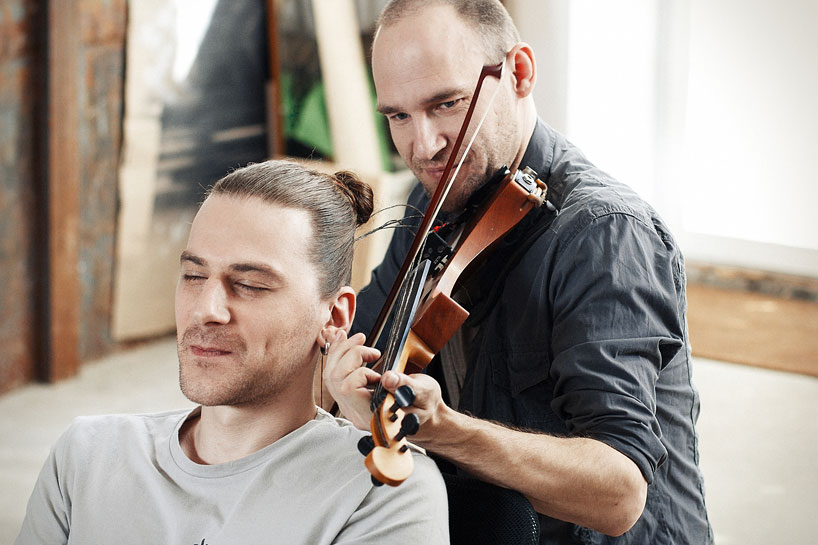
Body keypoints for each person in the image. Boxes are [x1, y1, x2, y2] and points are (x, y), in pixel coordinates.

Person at [323, 1, 714, 543]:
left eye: (448, 104)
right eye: (398, 116)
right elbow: (359, 338)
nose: (424, 145)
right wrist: (343, 386)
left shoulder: (604, 233)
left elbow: (620, 494)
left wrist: (445, 431)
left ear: (521, 73)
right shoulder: (434, 199)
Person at [15, 160, 449, 544]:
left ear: (334, 317)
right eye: (192, 275)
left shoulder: (383, 492)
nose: (206, 310)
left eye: (250, 285)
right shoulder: (87, 454)